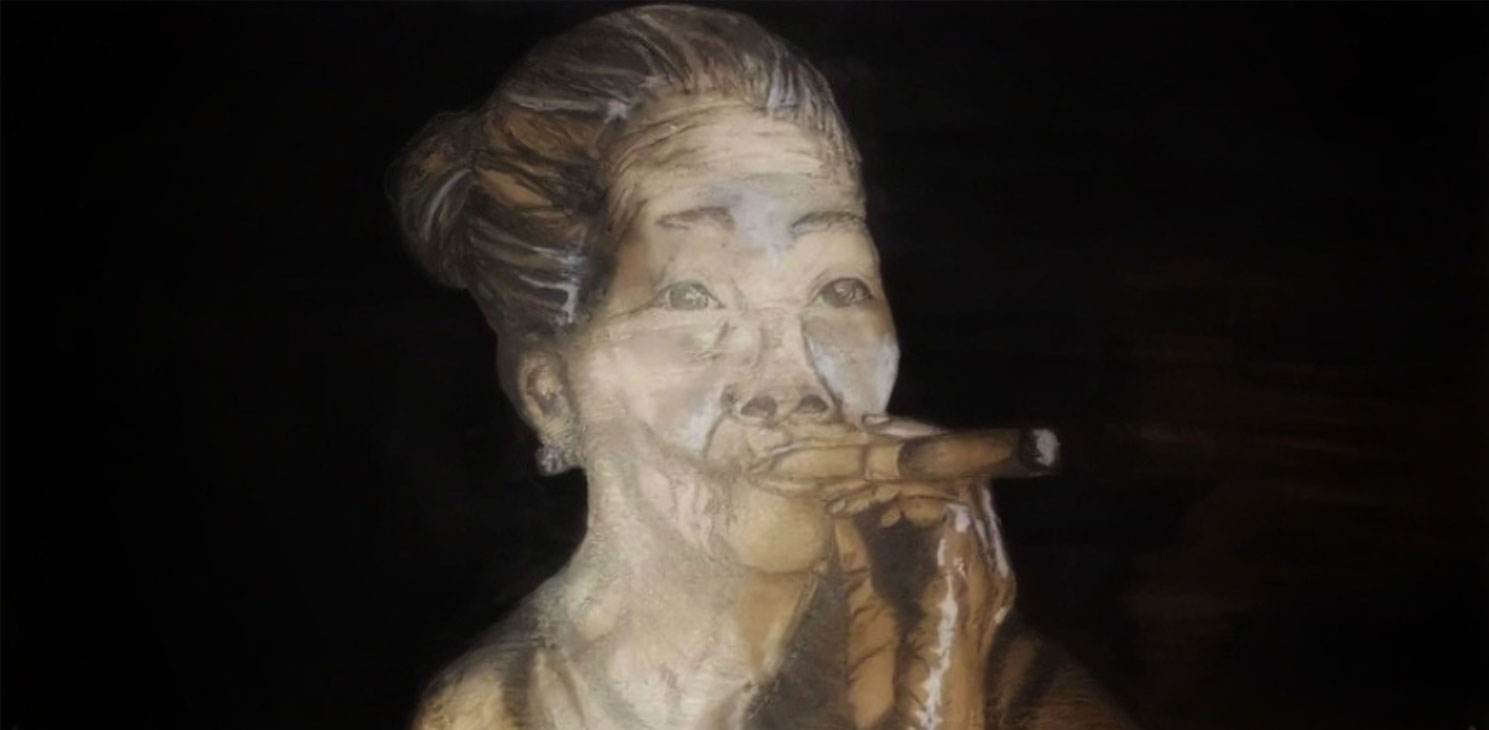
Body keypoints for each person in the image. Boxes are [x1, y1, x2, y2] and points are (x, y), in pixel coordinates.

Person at [392, 5, 1133, 729]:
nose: (793, 378)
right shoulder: (491, 711)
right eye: (691, 296)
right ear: (552, 395)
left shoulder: (1016, 696)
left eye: (839, 289)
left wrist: (935, 691)